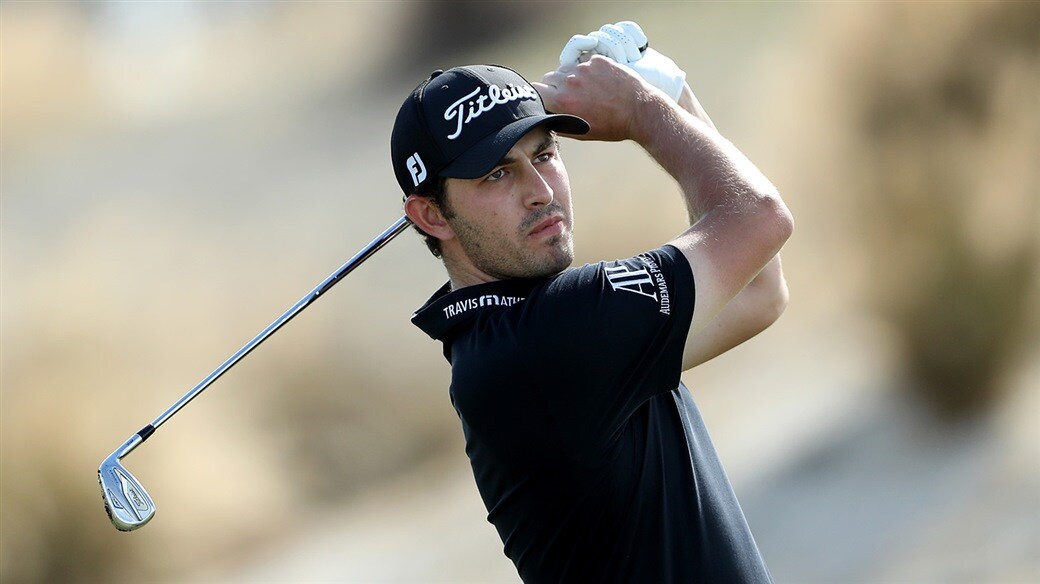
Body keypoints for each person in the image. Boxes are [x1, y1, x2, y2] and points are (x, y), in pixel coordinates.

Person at [389, 21, 792, 584]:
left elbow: (758, 293)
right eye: (499, 173)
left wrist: (671, 98)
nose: (540, 189)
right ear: (431, 215)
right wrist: (648, 108)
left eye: (545, 153)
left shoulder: (511, 341)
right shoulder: (548, 338)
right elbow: (760, 218)